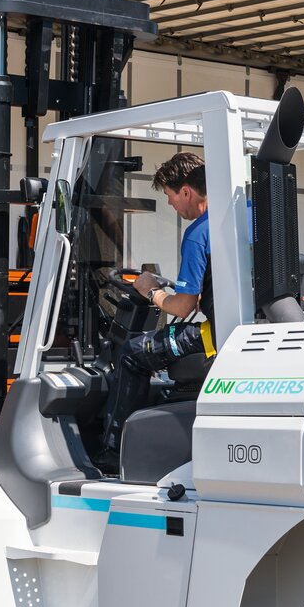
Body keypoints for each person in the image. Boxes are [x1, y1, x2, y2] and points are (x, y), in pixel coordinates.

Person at [99, 152, 214, 464]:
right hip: (240, 331)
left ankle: (113, 450)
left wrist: (152, 291)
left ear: (186, 192)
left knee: (133, 354)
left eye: (170, 196)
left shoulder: (198, 233)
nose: (170, 205)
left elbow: (181, 307)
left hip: (213, 337)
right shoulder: (244, 215)